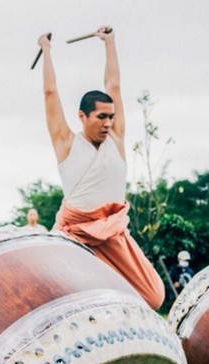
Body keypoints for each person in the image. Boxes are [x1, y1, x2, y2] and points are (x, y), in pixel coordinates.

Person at [38, 28, 164, 310]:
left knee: (154, 297)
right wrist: (46, 50)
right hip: (75, 235)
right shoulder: (66, 143)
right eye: (101, 117)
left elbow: (114, 86)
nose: (108, 123)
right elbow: (49, 94)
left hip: (113, 233)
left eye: (111, 117)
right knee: (64, 301)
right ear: (82, 116)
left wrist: (110, 43)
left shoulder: (116, 140)